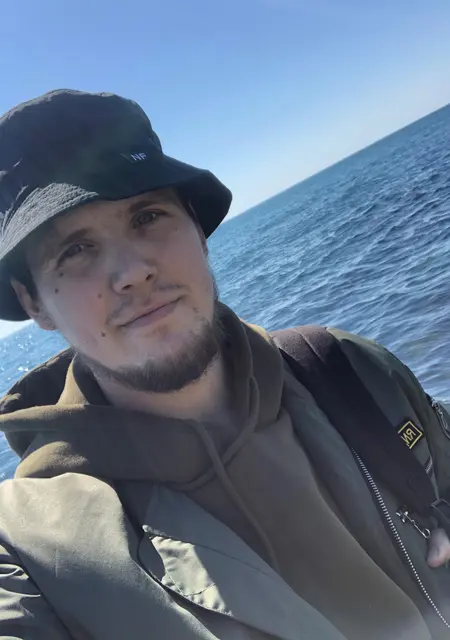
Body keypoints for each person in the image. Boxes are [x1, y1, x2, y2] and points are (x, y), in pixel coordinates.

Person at [0, 90, 449, 640]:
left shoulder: (347, 367)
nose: (133, 272)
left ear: (197, 229)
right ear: (34, 303)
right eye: (75, 250)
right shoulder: (33, 553)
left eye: (147, 216)